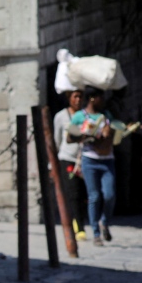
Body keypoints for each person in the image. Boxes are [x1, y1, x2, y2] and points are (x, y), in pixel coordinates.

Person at [68, 86, 117, 246]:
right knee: (94, 196)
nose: (103, 101)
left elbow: (115, 134)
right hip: (90, 160)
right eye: (100, 97)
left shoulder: (106, 116)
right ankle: (96, 233)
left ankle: (105, 222)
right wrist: (85, 135)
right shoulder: (79, 117)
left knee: (109, 195)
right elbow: (69, 138)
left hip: (107, 159)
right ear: (93, 98)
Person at [53, 89, 88, 240]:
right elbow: (57, 140)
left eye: (81, 96)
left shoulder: (87, 116)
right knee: (73, 193)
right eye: (75, 96)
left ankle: (82, 221)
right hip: (67, 158)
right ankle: (78, 226)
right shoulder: (61, 116)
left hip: (85, 158)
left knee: (83, 193)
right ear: (69, 98)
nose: (78, 100)